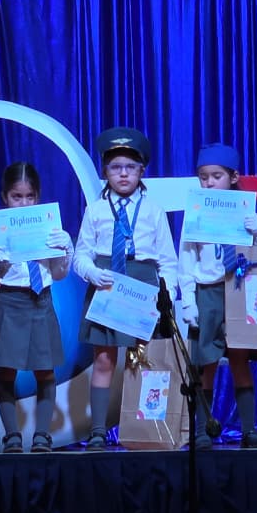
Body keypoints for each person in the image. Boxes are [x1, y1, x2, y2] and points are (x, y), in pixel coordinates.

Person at [71, 127, 178, 451]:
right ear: (105, 172)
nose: (123, 174)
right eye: (116, 167)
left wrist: (168, 296)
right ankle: (98, 430)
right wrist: (92, 273)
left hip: (143, 285)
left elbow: (167, 260)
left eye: (130, 167)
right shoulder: (95, 210)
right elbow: (81, 255)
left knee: (144, 359)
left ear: (141, 171)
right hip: (106, 284)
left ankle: (148, 427)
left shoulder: (153, 210)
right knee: (104, 360)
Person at [177, 143, 257, 450]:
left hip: (239, 288)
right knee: (206, 362)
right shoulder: (195, 214)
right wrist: (188, 301)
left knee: (240, 359)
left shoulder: (245, 211)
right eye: (203, 177)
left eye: (216, 176)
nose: (209, 183)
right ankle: (202, 430)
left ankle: (248, 430)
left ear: (233, 177)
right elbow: (187, 258)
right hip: (208, 292)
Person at [0, 163, 72, 453]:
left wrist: (66, 249)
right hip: (10, 301)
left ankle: (42, 435)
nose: (24, 203)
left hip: (41, 300)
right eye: (17, 196)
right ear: (5, 196)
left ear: (38, 196)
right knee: (6, 370)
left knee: (45, 370)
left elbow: (59, 274)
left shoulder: (48, 226)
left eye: (30, 196)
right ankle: (12, 436)